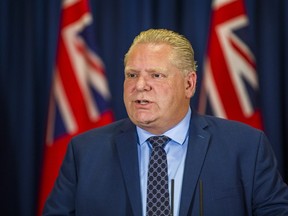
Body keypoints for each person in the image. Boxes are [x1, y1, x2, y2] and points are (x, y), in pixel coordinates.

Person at [43, 29, 288, 216]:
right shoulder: (85, 152)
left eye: (156, 75)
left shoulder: (245, 147)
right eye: (132, 75)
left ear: (189, 84)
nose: (140, 86)